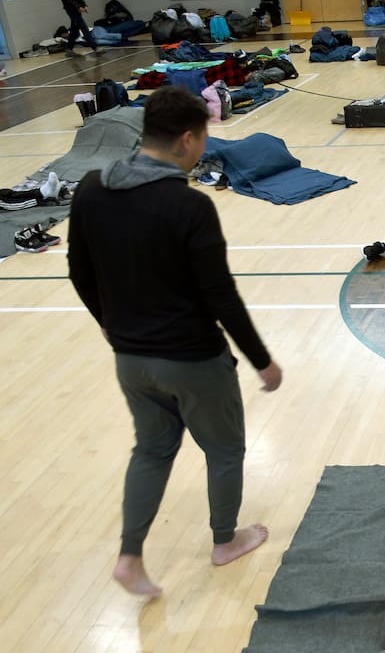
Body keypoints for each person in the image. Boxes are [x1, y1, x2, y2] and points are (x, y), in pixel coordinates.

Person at [67, 87, 283, 598]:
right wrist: (261, 361)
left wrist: (110, 324)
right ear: (187, 139)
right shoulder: (188, 206)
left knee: (152, 451)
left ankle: (130, 556)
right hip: (192, 360)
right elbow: (220, 296)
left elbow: (79, 271)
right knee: (225, 448)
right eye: (204, 138)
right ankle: (225, 542)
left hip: (131, 360)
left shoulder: (93, 188)